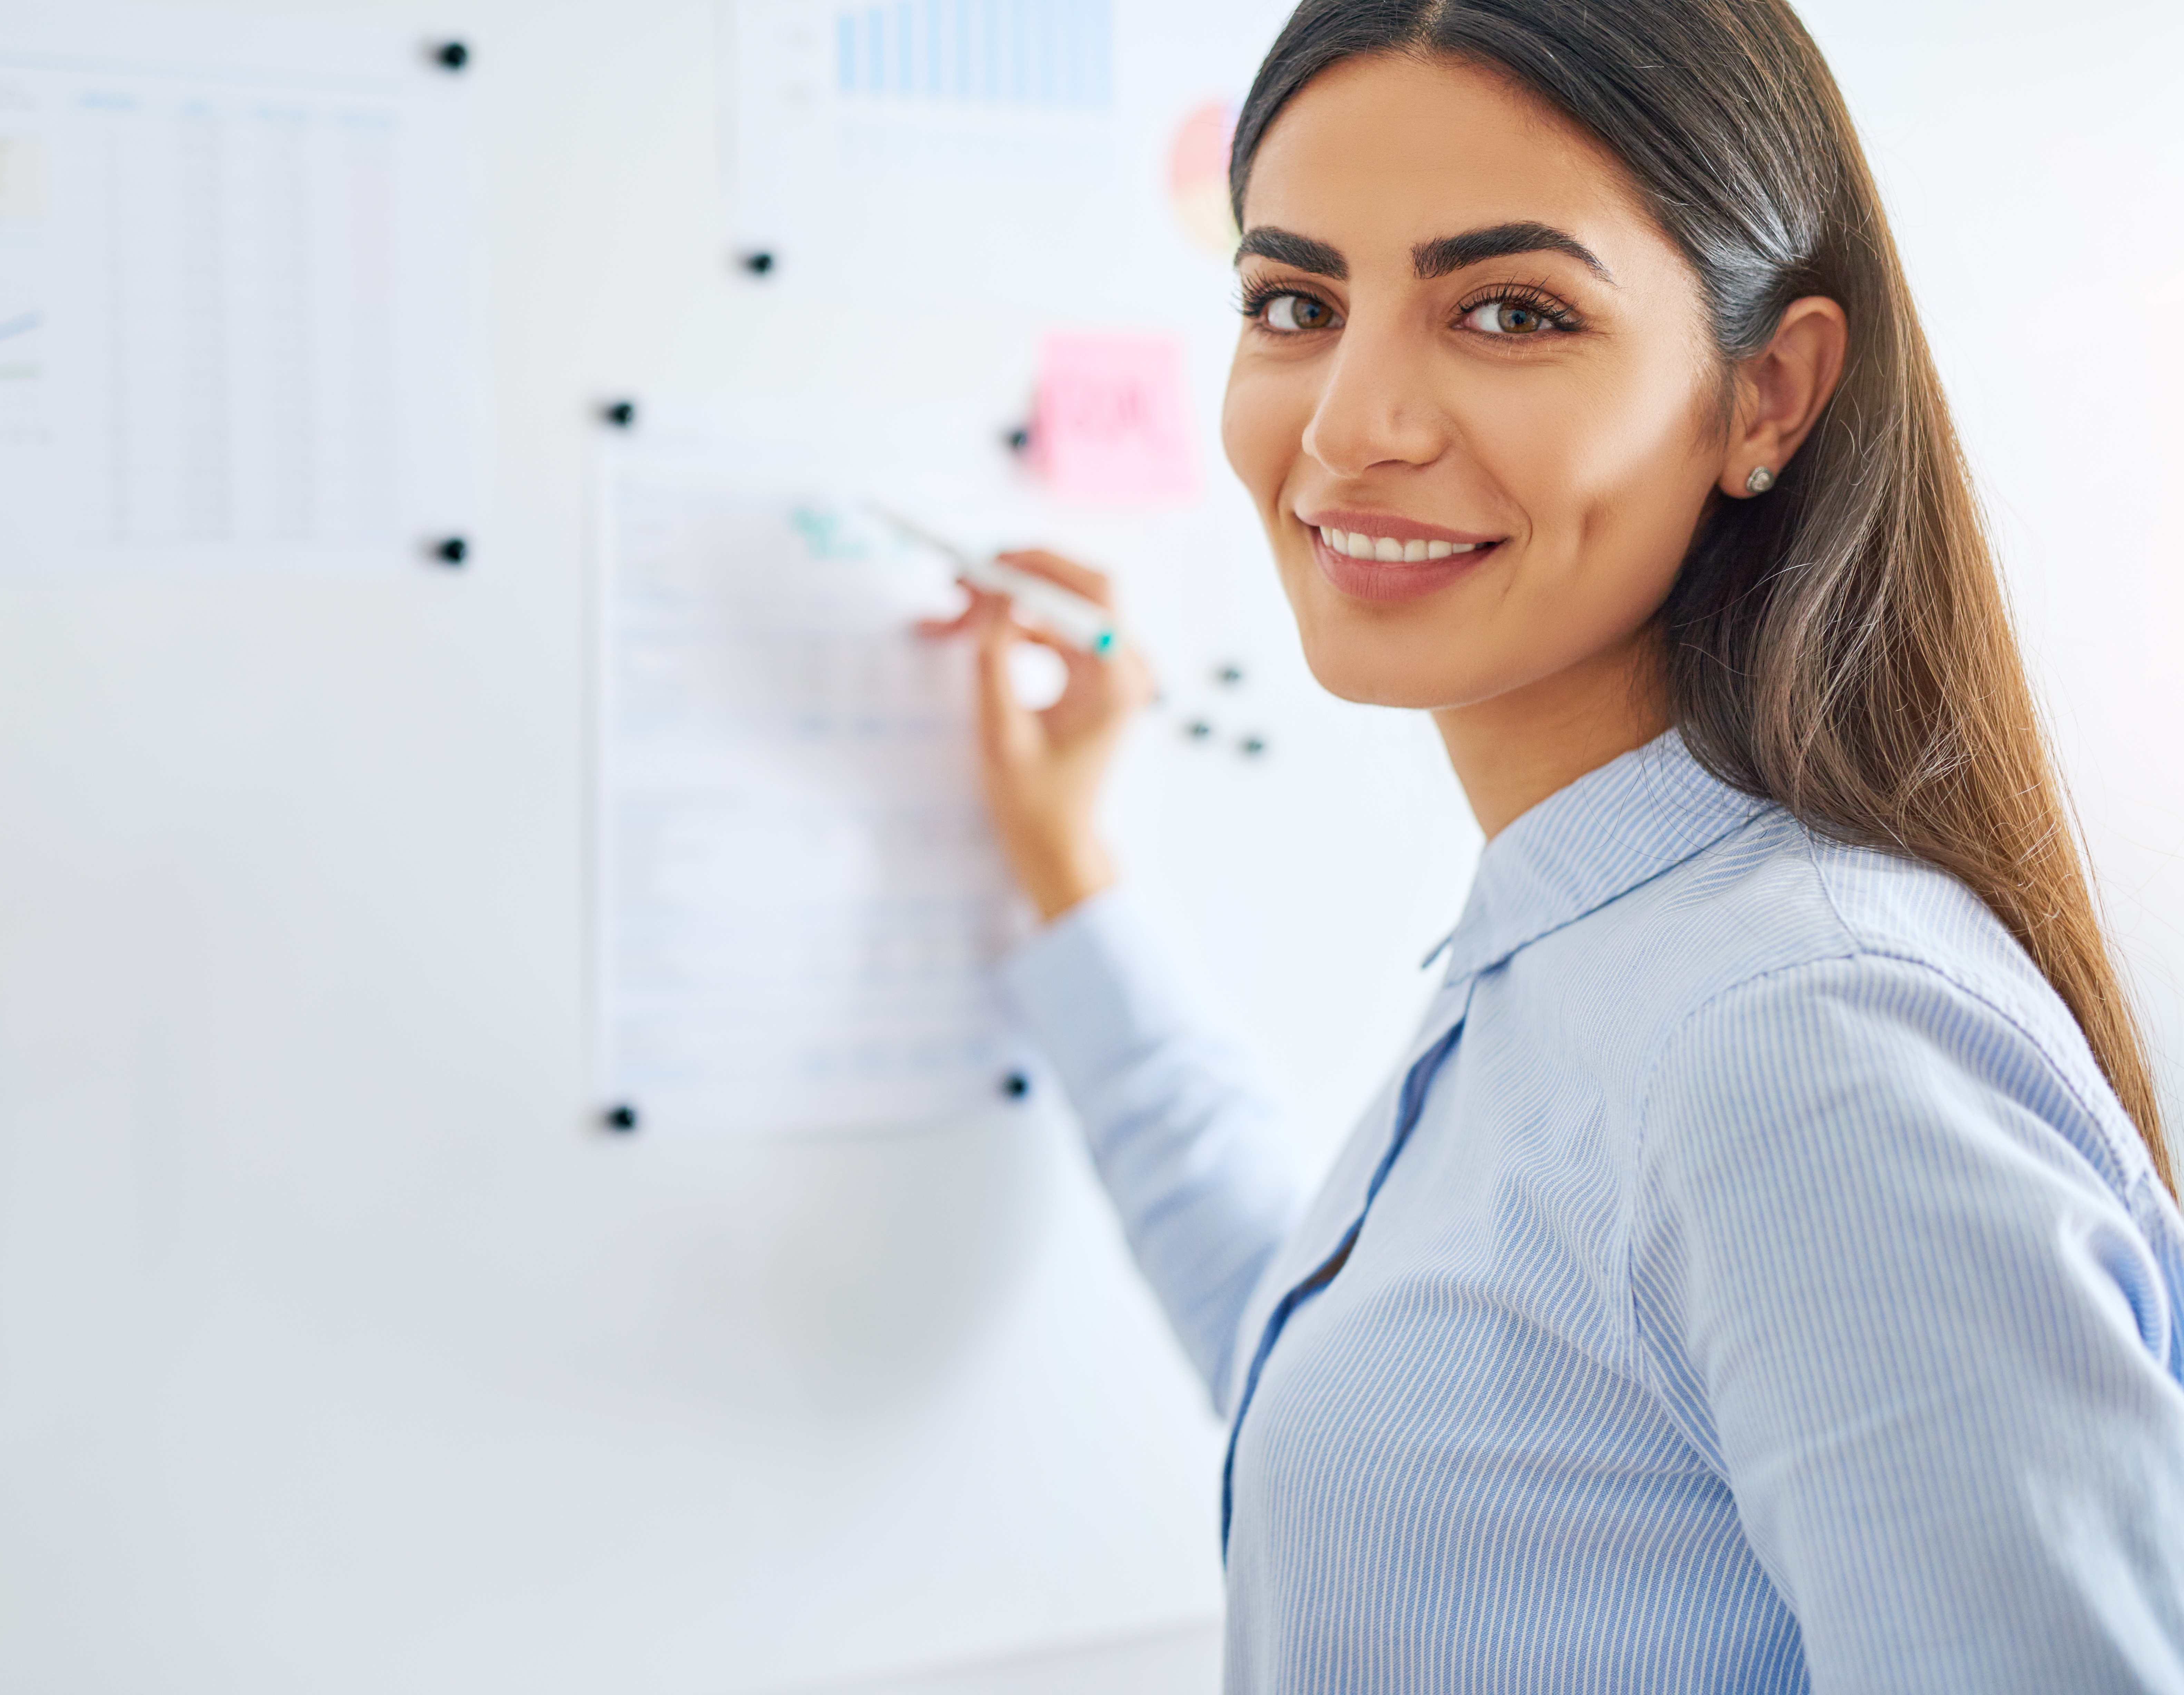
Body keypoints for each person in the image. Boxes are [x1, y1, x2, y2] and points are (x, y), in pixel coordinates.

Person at [920, 0, 2184, 1688]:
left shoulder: (1796, 1043)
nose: (1352, 422)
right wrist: (1068, 874)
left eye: (1509, 312)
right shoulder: (1591, 933)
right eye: (1294, 302)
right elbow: (1366, 1410)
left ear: (1770, 396)